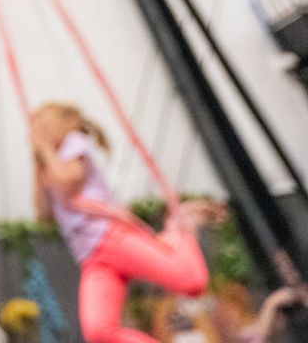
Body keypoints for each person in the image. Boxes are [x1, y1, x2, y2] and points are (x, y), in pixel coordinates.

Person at [31, 102, 224, 343]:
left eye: (39, 127)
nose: (34, 134)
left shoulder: (74, 142)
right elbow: (43, 212)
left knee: (191, 282)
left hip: (110, 237)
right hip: (92, 256)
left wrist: (46, 151)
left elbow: (70, 179)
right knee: (99, 332)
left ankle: (180, 229)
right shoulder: (51, 165)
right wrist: (38, 164)